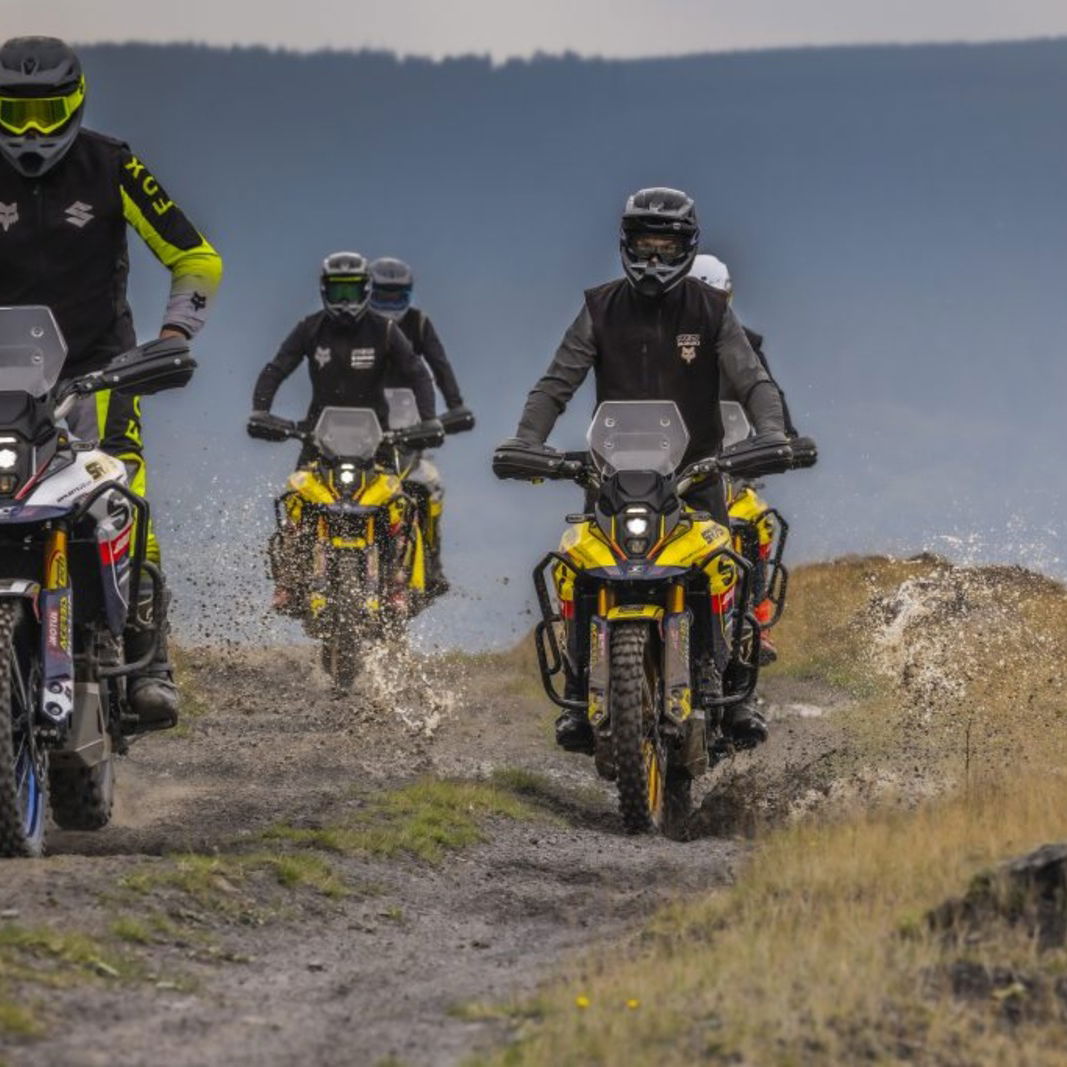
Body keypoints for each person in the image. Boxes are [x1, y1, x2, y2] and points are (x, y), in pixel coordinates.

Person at [494, 187, 788, 753]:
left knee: (730, 565)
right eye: (643, 245)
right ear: (625, 245)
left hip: (696, 479)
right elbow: (556, 384)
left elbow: (753, 381)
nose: (653, 259)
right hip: (611, 481)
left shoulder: (711, 310)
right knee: (575, 569)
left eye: (666, 245)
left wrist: (771, 433)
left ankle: (735, 692)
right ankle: (581, 698)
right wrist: (527, 441)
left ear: (686, 246)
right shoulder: (598, 308)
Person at [0, 36, 223, 730]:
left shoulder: (112, 162)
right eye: (15, 112)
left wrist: (174, 334)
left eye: (47, 111)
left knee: (125, 497)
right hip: (2, 377)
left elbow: (195, 256)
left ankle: (149, 658)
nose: (33, 130)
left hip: (97, 371)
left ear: (75, 101)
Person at [248, 251, 440, 608]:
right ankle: (288, 583)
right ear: (324, 290)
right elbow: (276, 368)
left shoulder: (385, 330)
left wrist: (428, 420)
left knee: (399, 507)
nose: (345, 301)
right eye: (338, 292)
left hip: (379, 442)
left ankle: (397, 585)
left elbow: (417, 372)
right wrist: (261, 411)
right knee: (295, 504)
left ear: (366, 289)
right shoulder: (310, 328)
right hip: (317, 441)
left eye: (352, 292)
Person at [690, 253, 796, 664]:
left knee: (753, 521)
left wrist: (785, 437)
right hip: (658, 479)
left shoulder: (745, 346)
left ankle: (755, 621)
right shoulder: (647, 345)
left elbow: (768, 394)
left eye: (718, 299)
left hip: (726, 475)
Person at [369, 257, 473, 594]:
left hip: (409, 429)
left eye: (396, 295)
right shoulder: (357, 326)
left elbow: (440, 367)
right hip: (361, 428)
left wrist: (455, 408)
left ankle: (432, 564)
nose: (389, 302)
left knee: (431, 484)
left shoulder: (419, 323)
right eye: (383, 294)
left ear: (409, 294)